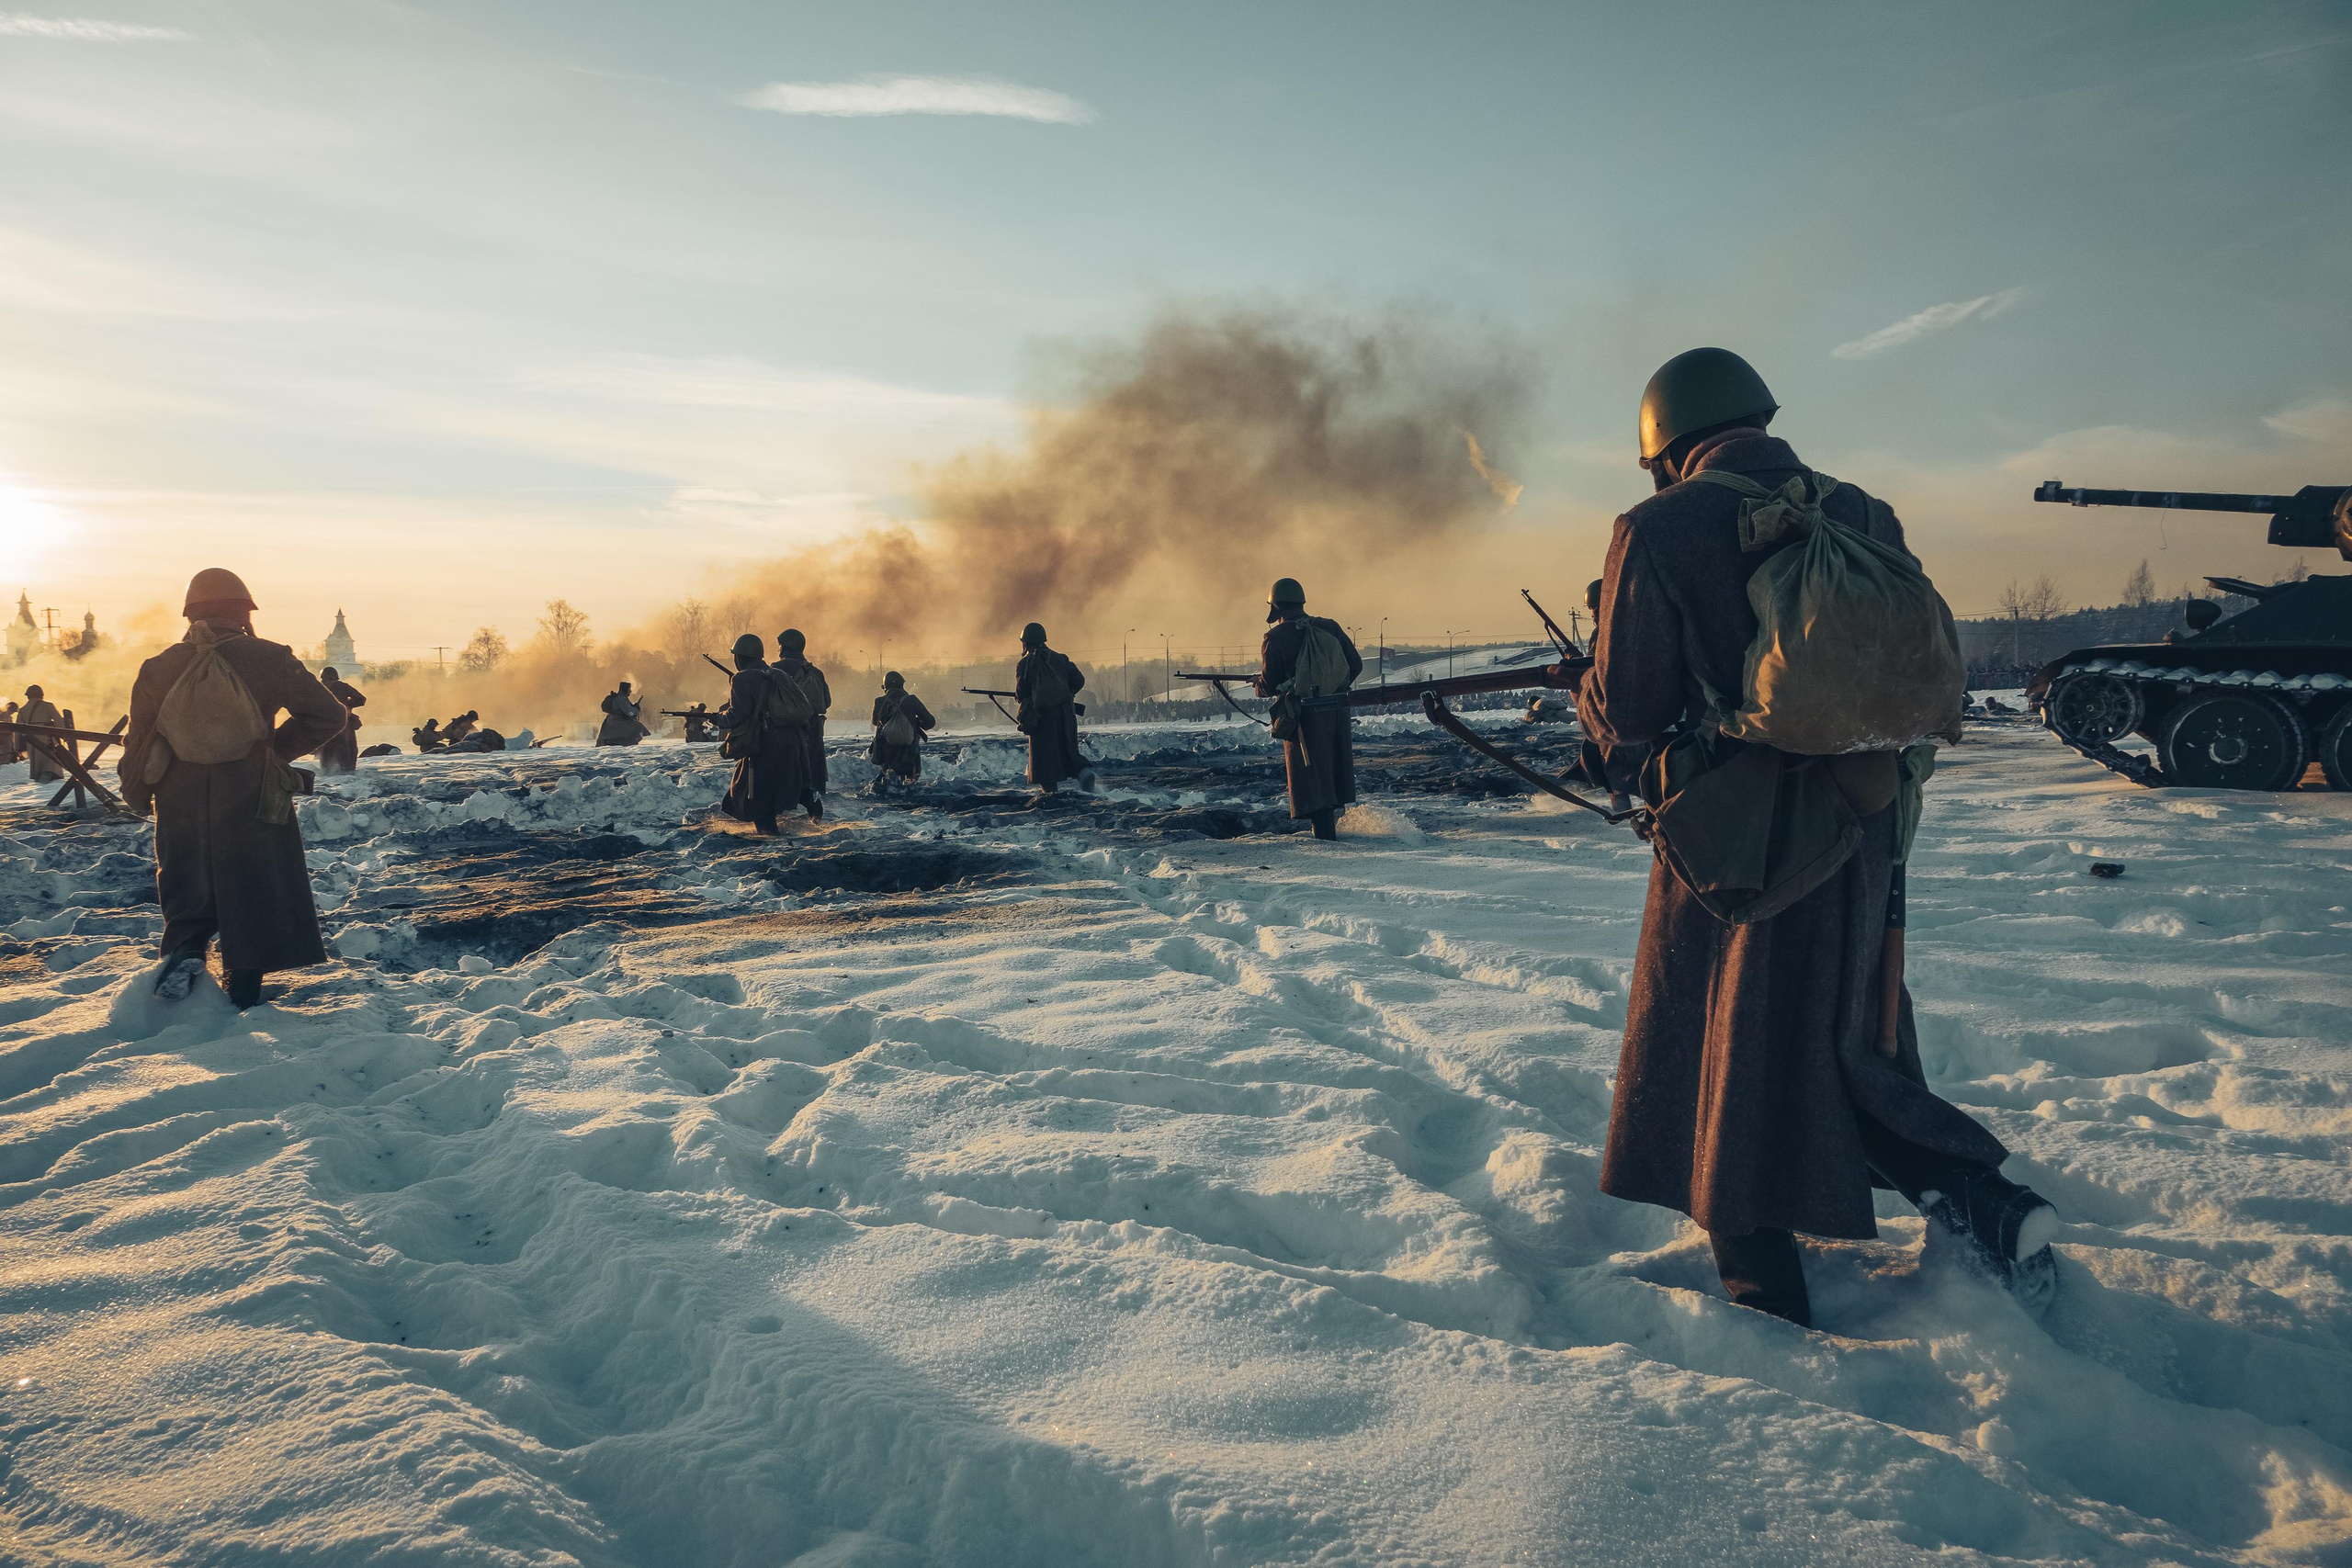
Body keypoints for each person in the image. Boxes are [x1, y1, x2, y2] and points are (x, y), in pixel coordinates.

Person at [1577, 347, 2055, 1328]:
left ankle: (1764, 1303)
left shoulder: (1656, 528)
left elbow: (1629, 710)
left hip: (1733, 842)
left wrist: (1593, 702)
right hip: (1864, 818)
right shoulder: (1862, 513)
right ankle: (1983, 1203)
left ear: (1665, 446)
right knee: (1847, 1037)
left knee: (1730, 1050)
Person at [118, 568, 344, 1010]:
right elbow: (328, 716)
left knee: (185, 877)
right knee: (252, 880)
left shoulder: (158, 666)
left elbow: (139, 739)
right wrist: (275, 751)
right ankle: (244, 981)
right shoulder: (270, 657)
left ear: (190, 613)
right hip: (251, 791)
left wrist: (136, 787)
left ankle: (184, 955)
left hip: (177, 792)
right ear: (244, 610)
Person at [1256, 579, 1362, 840]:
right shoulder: (1330, 627)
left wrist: (1258, 685)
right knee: (1334, 769)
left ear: (1276, 606)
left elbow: (1269, 684)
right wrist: (1332, 688)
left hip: (1302, 716)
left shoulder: (1275, 637)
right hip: (1336, 710)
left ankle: (1324, 835)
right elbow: (1355, 665)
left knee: (1311, 775)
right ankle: (1328, 830)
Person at [718, 632, 809, 836]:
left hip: (765, 745)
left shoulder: (742, 679)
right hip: (790, 741)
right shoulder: (778, 674)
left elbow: (736, 716)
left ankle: (770, 841)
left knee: (755, 794)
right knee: (772, 790)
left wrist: (717, 718)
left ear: (740, 657)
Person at [1013, 622, 1089, 796]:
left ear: (1026, 642)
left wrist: (1023, 697)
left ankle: (1051, 798)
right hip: (1066, 716)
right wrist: (1064, 695)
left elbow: (1022, 692)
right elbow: (1079, 680)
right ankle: (1085, 774)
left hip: (1041, 720)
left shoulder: (1024, 665)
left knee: (1043, 765)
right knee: (1069, 752)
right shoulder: (1061, 659)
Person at [772, 631, 827, 822]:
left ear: (787, 646)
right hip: (813, 729)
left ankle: (772, 817)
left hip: (789, 730)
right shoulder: (816, 672)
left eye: (779, 645)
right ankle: (814, 809)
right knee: (807, 773)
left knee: (782, 773)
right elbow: (826, 702)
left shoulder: (778, 668)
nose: (777, 649)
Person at [866, 671, 936, 790]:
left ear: (885, 687)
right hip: (908, 750)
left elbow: (875, 722)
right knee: (910, 783)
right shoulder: (911, 700)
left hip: (886, 750)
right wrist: (915, 723)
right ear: (902, 685)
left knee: (888, 781)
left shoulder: (879, 701)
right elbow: (930, 722)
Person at [318, 666, 366, 773]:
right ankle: (341, 772)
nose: (327, 682)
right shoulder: (321, 689)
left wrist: (346, 706)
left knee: (342, 749)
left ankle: (340, 772)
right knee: (342, 750)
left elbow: (361, 699)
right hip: (334, 725)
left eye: (329, 679)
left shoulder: (340, 687)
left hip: (339, 725)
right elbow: (361, 699)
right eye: (326, 680)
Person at [18, 684, 67, 783]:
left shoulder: (22, 710)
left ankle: (42, 780)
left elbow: (18, 730)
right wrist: (65, 735)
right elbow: (58, 721)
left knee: (38, 765)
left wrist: (18, 747)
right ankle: (47, 778)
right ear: (41, 695)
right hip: (47, 737)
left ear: (28, 696)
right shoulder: (48, 706)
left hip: (31, 740)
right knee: (50, 762)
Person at [596, 682, 648, 746]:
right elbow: (630, 712)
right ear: (625, 689)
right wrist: (636, 709)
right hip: (619, 722)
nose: (630, 691)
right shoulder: (622, 699)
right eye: (629, 689)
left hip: (613, 721)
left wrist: (634, 707)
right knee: (638, 727)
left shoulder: (619, 698)